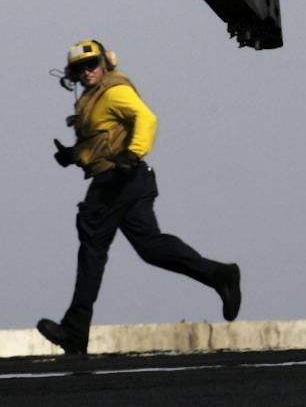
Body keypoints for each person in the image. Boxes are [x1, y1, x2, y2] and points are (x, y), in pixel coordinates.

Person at [36, 40, 242, 356]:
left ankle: (75, 331)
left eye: (92, 64)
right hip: (131, 180)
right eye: (80, 68)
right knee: (151, 247)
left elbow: (147, 119)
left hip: (118, 180)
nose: (87, 71)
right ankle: (220, 275)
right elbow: (104, 139)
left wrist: (132, 154)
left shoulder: (113, 91)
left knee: (93, 247)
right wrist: (75, 155)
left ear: (105, 63)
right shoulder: (94, 98)